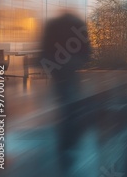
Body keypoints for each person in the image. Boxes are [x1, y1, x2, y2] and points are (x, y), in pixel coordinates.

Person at [40, 11, 92, 176]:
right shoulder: (76, 22)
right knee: (71, 99)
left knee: (63, 97)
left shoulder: (53, 24)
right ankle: (69, 134)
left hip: (56, 66)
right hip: (70, 66)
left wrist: (46, 62)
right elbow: (85, 46)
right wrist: (83, 59)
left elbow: (45, 45)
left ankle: (66, 132)